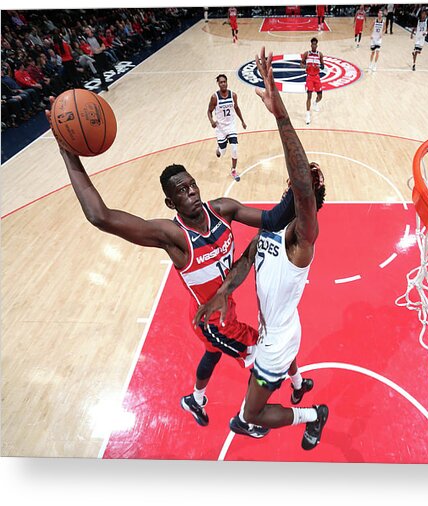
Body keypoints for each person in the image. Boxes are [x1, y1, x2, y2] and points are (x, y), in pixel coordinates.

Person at [45, 97, 299, 429]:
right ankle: (252, 418)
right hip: (212, 319)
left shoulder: (223, 209)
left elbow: (276, 218)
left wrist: (301, 186)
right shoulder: (172, 236)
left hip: (226, 305)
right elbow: (100, 216)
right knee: (266, 361)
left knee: (213, 353)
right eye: (182, 190)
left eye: (192, 184)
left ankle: (195, 398)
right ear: (171, 201)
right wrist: (68, 151)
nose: (191, 191)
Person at [194, 47, 329, 449]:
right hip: (279, 326)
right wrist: (223, 291)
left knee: (248, 416)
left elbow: (302, 184)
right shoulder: (273, 226)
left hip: (278, 341)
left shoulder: (302, 238)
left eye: (298, 189)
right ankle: (300, 382)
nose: (292, 189)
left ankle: (313, 416)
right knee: (278, 340)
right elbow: (247, 260)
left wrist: (281, 115)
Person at [208, 74, 247, 181]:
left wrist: (242, 121)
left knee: (234, 149)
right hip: (220, 128)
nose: (223, 83)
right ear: (218, 84)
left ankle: (233, 170)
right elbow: (209, 111)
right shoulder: (214, 97)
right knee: (222, 152)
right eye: (221, 82)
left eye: (224, 81)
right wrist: (212, 121)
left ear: (227, 82)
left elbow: (237, 107)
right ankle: (219, 149)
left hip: (231, 126)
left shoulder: (233, 95)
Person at [300, 37, 324, 125]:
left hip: (317, 77)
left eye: (315, 44)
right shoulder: (307, 54)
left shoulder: (320, 54)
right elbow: (301, 64)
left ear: (317, 45)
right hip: (309, 77)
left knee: (320, 96)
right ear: (311, 45)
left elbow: (323, 66)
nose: (314, 45)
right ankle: (308, 115)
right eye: (312, 44)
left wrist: (320, 67)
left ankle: (315, 103)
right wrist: (304, 66)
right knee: (309, 96)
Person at [83, 26, 111, 91]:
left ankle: (112, 67)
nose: (87, 31)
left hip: (101, 54)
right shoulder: (86, 39)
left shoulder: (96, 37)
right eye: (85, 31)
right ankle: (104, 86)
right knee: (100, 71)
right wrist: (91, 51)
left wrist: (98, 50)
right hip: (96, 56)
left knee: (107, 68)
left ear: (90, 30)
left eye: (88, 30)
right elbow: (90, 47)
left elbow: (103, 47)